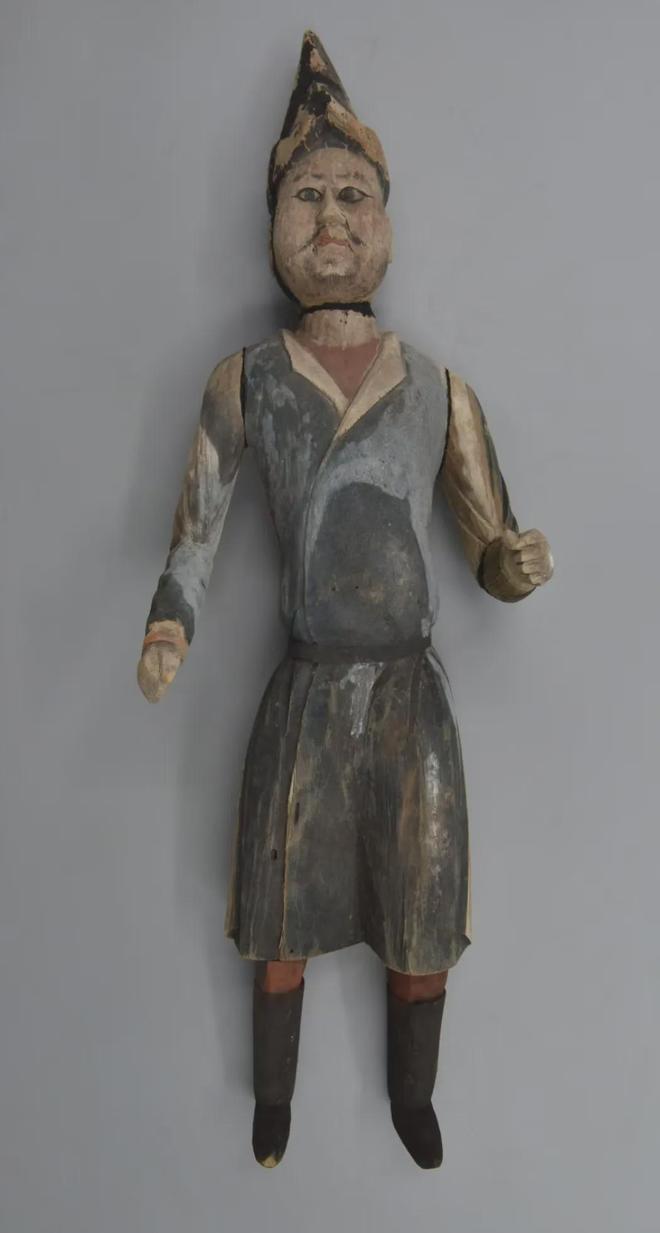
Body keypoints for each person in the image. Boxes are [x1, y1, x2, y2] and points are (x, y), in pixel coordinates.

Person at [137, 31, 554, 1170]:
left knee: (422, 914)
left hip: (411, 704)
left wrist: (510, 567)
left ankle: (414, 1097)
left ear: (386, 219)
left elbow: (489, 540)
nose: (331, 217)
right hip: (308, 694)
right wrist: (170, 621)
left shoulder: (439, 389)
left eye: (353, 194)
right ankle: (273, 1099)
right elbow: (196, 533)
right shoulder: (247, 380)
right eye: (308, 194)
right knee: (279, 915)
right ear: (275, 221)